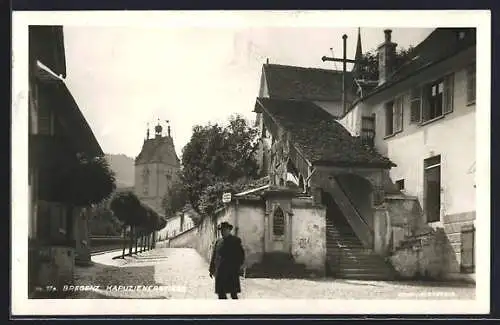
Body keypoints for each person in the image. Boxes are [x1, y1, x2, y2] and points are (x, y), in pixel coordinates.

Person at [209, 221, 245, 299]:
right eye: (221, 230)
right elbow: (214, 256)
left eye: (225, 230)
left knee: (233, 294)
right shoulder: (218, 242)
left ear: (229, 230)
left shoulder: (235, 241)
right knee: (221, 294)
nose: (223, 232)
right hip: (220, 273)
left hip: (231, 273)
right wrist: (211, 269)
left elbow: (241, 255)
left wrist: (238, 267)